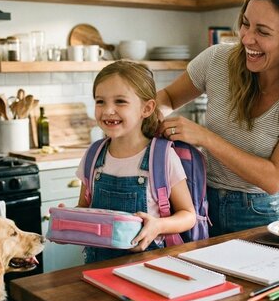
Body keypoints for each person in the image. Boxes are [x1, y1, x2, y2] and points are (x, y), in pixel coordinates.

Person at [157, 0, 279, 236]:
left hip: (262, 213)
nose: (247, 39)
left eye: (262, 32)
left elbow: (274, 178)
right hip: (201, 204)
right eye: (245, 24)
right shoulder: (218, 60)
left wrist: (205, 137)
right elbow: (167, 99)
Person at [74, 60, 196, 263]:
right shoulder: (93, 155)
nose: (107, 110)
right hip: (97, 265)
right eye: (100, 101)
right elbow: (84, 207)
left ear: (146, 108)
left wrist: (158, 225)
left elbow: (188, 215)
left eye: (120, 101)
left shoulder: (162, 156)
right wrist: (69, 218)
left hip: (150, 266)